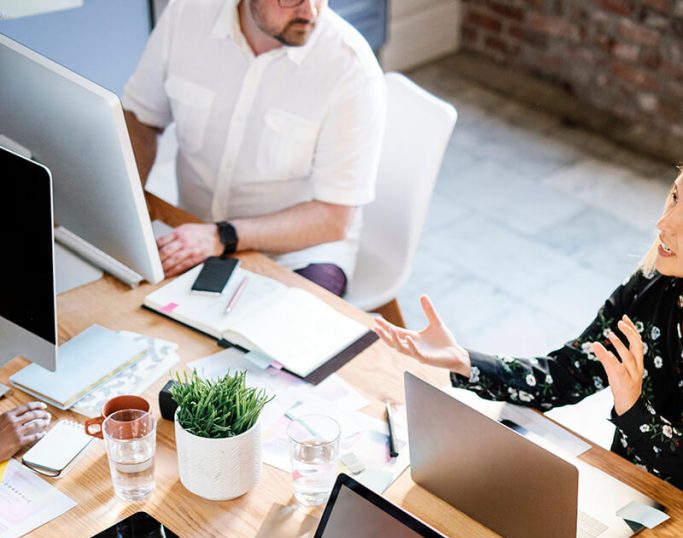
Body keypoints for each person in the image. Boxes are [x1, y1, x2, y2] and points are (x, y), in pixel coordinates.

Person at [375, 171, 683, 490]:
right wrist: (466, 361)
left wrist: (634, 410)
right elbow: (566, 374)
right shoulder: (649, 289)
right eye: (674, 197)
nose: (664, 224)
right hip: (628, 496)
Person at [122, 0, 385, 296]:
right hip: (195, 230)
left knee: (281, 340)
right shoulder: (188, 13)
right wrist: (124, 205)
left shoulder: (351, 69)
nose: (310, 11)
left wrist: (223, 236)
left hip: (300, 253)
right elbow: (141, 118)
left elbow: (333, 219)